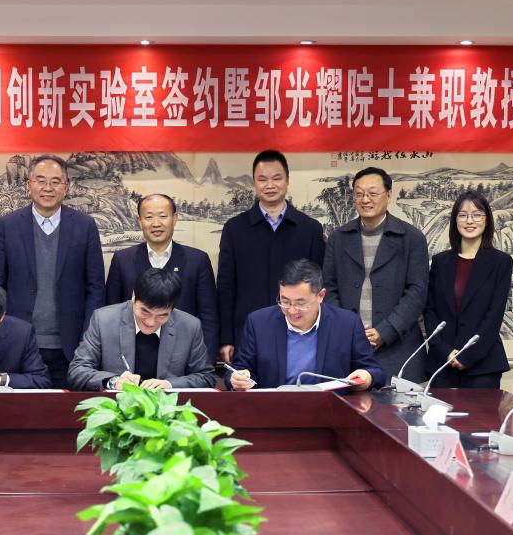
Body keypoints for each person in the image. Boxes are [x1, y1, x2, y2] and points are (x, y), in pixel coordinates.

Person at [0, 154, 105, 389]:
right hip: (19, 340)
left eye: (55, 181)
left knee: (67, 407)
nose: (48, 188)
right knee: (22, 406)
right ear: (28, 185)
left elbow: (95, 287)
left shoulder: (85, 226)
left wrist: (87, 336)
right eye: (40, 180)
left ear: (66, 186)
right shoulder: (8, 226)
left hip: (71, 343)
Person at [217, 150, 325, 364]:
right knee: (248, 383)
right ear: (254, 183)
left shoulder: (310, 229)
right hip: (247, 331)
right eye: (262, 179)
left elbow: (319, 286)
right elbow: (226, 287)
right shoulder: (234, 228)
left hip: (300, 330)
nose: (270, 185)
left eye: (277, 178)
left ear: (287, 181)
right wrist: (226, 338)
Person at [323, 167, 429, 381]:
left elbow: (417, 292)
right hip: (348, 348)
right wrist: (349, 329)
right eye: (359, 193)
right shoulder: (338, 238)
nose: (365, 199)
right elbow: (328, 288)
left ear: (388, 195)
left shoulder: (411, 238)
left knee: (397, 403)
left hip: (399, 350)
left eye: (372, 193)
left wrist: (385, 331)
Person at [228, 259, 383, 391]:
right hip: (273, 409)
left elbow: (374, 371)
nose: (292, 310)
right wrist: (238, 378)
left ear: (321, 295)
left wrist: (367, 377)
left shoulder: (347, 324)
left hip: (331, 410)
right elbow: (237, 369)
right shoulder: (258, 323)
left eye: (300, 303)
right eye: (285, 301)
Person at [105, 193, 218, 360]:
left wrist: (205, 361)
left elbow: (209, 317)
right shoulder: (122, 260)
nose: (156, 223)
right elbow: (111, 314)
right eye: (149, 217)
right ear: (140, 221)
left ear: (175, 219)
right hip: (132, 355)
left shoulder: (197, 260)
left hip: (183, 356)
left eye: (163, 216)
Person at [68, 268, 215, 391]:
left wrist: (170, 385)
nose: (151, 322)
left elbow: (206, 377)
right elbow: (77, 371)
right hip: (115, 409)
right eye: (144, 311)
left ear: (172, 308)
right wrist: (114, 381)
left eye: (162, 316)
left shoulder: (189, 326)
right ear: (134, 296)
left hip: (168, 411)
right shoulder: (103, 320)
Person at [423, 191, 513, 388]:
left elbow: (494, 315)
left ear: (487, 220)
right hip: (442, 364)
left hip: (482, 366)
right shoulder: (440, 262)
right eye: (463, 215)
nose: (469, 221)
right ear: (455, 220)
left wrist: (469, 355)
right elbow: (430, 310)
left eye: (477, 215)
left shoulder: (501, 262)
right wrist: (443, 350)